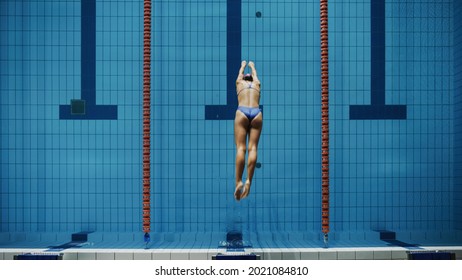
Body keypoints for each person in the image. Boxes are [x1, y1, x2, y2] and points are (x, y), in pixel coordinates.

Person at [234, 60, 262, 201]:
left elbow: (240, 74)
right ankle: (248, 180)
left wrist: (243, 66)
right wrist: (252, 66)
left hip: (242, 112)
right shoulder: (257, 84)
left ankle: (238, 181)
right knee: (253, 148)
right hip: (257, 113)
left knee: (241, 148)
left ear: (244, 77)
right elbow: (255, 75)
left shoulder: (239, 83)